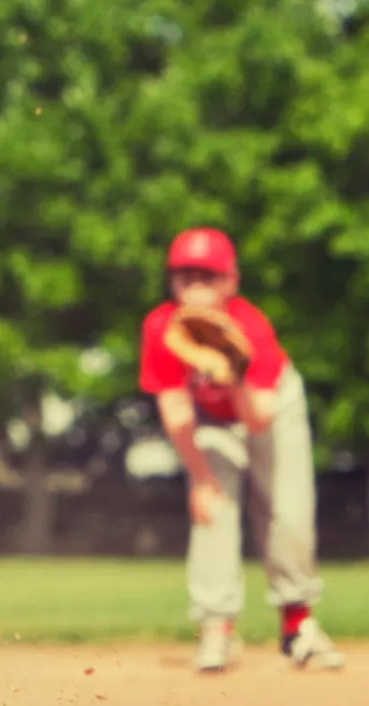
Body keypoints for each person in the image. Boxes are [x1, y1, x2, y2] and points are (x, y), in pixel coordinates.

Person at [138, 227, 344, 674]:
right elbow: (175, 410)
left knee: (287, 512)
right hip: (209, 422)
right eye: (185, 274)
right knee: (212, 509)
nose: (194, 285)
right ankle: (216, 630)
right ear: (172, 281)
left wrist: (233, 373)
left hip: (269, 407)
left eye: (206, 276)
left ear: (230, 281)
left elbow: (258, 418)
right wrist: (201, 478)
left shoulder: (250, 327)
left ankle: (298, 626)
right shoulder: (161, 327)